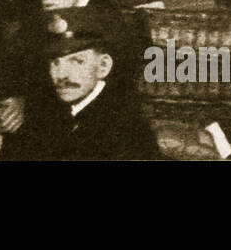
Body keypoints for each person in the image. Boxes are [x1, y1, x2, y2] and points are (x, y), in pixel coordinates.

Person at [10, 8, 161, 161]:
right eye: (55, 62)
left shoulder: (127, 130)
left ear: (103, 65)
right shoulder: (43, 117)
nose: (61, 74)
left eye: (77, 61)